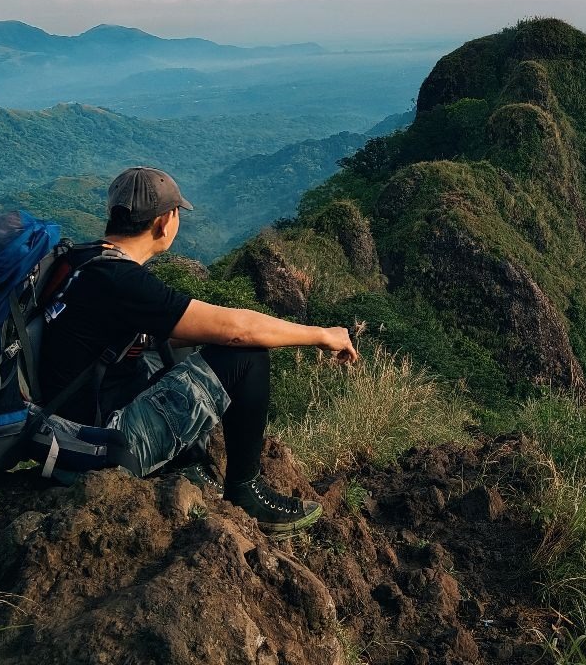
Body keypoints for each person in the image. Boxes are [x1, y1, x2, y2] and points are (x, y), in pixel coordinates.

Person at [38, 165, 359, 534]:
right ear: (164, 222)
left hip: (64, 429)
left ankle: (183, 460)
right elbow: (240, 332)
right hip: (97, 445)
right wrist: (322, 334)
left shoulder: (82, 259)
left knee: (180, 348)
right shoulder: (121, 281)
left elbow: (129, 338)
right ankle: (246, 491)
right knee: (245, 356)